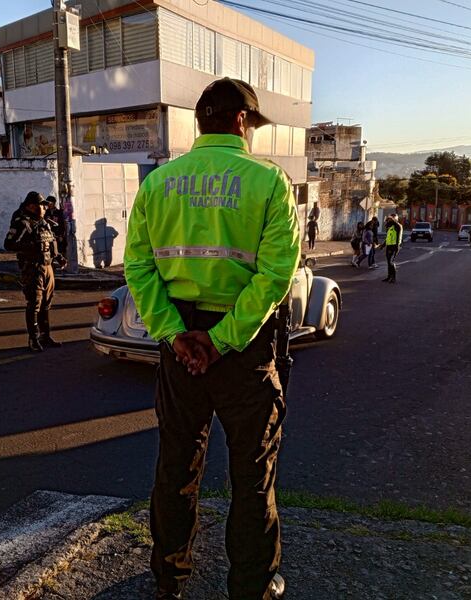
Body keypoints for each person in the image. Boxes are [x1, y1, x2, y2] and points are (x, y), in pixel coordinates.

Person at [124, 77, 298, 600]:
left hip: (180, 348)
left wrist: (178, 336)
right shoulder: (268, 182)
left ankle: (170, 580)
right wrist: (220, 341)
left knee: (176, 463)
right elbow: (274, 276)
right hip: (242, 348)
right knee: (252, 474)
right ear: (242, 122)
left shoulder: (158, 184)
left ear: (201, 121)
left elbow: (138, 266)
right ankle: (251, 587)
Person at [4, 191, 66, 351]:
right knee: (35, 304)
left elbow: (50, 241)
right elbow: (9, 244)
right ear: (31, 206)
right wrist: (31, 247)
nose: (45, 207)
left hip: (48, 267)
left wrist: (58, 256)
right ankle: (33, 338)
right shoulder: (22, 222)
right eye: (42, 205)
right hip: (32, 267)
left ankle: (46, 336)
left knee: (46, 304)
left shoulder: (45, 222)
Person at [43, 195, 68, 270]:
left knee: (59, 250)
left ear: (54, 203)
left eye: (50, 203)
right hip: (49, 235)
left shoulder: (59, 212)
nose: (48, 205)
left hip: (57, 234)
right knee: (50, 250)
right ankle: (52, 266)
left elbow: (62, 225)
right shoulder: (45, 212)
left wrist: (61, 235)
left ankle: (63, 265)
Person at [381, 213, 402, 283]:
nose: (390, 219)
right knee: (388, 262)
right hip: (389, 246)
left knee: (391, 262)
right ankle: (389, 276)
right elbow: (387, 237)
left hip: (395, 246)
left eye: (392, 218)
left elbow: (398, 237)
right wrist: (383, 245)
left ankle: (393, 278)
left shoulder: (398, 226)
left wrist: (396, 247)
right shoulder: (390, 226)